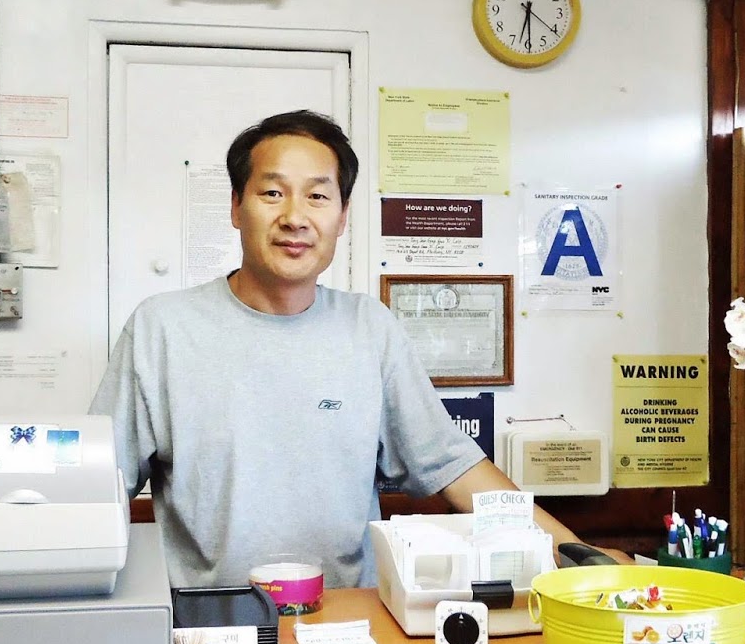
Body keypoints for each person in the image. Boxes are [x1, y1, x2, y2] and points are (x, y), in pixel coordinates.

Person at [90, 109, 580, 589]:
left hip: (347, 628)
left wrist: (577, 556)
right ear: (237, 207)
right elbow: (98, 488)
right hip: (208, 631)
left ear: (342, 217)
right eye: (272, 193)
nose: (295, 217)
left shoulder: (370, 329)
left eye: (318, 196)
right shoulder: (162, 329)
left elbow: (455, 467)